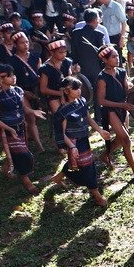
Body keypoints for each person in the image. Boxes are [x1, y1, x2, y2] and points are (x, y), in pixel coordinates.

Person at [54, 76, 111, 206]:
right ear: (67, 91)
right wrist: (72, 147)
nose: (79, 91)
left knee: (85, 163)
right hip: (74, 142)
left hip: (84, 139)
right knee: (88, 167)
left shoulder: (82, 101)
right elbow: (62, 133)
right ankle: (97, 197)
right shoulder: (62, 111)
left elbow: (89, 119)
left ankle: (60, 176)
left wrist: (100, 131)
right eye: (75, 88)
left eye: (79, 88)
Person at [0, 63, 46, 194]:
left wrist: (33, 112)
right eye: (9, 76)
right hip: (7, 130)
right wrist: (10, 130)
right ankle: (26, 179)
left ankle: (6, 167)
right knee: (24, 155)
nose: (13, 78)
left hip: (20, 127)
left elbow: (22, 108)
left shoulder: (18, 91)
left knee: (17, 152)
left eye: (13, 74)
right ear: (0, 79)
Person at [95, 45, 134, 180]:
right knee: (126, 140)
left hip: (123, 108)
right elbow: (101, 100)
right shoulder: (102, 78)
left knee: (121, 137)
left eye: (117, 55)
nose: (117, 59)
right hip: (110, 110)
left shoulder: (122, 72)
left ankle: (105, 155)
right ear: (105, 60)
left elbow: (126, 92)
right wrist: (121, 104)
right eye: (113, 56)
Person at [38, 39, 74, 152]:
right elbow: (43, 89)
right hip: (53, 95)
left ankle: (72, 141)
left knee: (71, 117)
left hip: (66, 93)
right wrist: (60, 93)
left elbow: (69, 79)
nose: (63, 55)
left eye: (65, 52)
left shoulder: (67, 62)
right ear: (52, 53)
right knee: (60, 117)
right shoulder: (45, 68)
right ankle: (61, 144)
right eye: (60, 52)